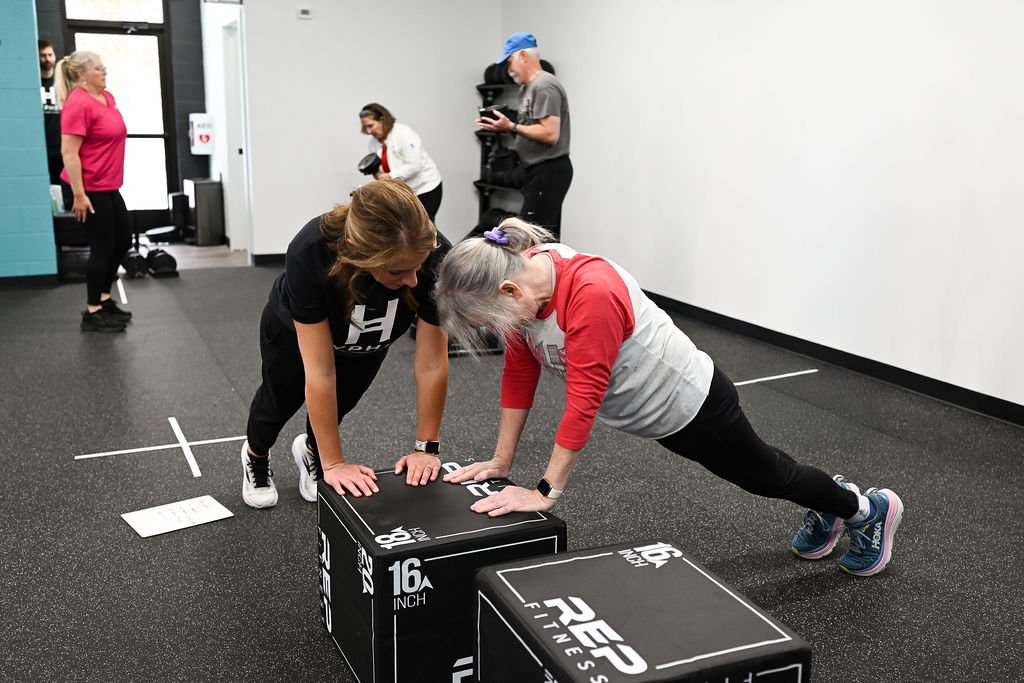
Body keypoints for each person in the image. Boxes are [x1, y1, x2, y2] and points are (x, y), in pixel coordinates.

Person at [436, 219, 905, 577]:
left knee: (765, 477)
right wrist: (501, 461)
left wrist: (544, 493)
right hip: (657, 415)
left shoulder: (590, 294)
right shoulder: (524, 274)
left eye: (494, 320)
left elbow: (583, 402)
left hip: (693, 407)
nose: (503, 331)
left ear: (509, 289)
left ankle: (866, 510)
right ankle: (833, 498)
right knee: (764, 466)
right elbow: (520, 371)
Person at [241, 178, 450, 508]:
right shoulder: (309, 252)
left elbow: (432, 363)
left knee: (338, 405)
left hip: (368, 339)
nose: (413, 280)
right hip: (294, 332)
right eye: (398, 271)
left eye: (418, 266)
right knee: (278, 402)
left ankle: (313, 451)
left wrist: (426, 448)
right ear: (362, 256)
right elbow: (320, 372)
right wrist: (336, 464)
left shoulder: (437, 257)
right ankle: (255, 454)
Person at [56, 50, 132, 333]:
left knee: (122, 241)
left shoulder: (107, 98)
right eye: (99, 69)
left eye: (104, 67)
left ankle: (104, 298)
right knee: (102, 248)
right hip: (90, 189)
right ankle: (92, 312)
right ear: (81, 75)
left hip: (110, 184)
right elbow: (69, 152)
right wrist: (79, 194)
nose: (104, 72)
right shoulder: (78, 104)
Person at [475, 33, 572, 240]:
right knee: (541, 235)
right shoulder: (526, 89)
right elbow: (529, 127)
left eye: (510, 62)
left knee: (532, 237)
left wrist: (511, 125)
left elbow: (549, 133)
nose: (508, 70)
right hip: (534, 170)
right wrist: (503, 127)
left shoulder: (545, 85)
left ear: (523, 56)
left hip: (549, 170)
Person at [359, 103, 443, 223]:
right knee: (405, 228)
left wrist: (389, 176)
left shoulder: (404, 134)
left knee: (426, 228)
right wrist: (377, 175)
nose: (368, 131)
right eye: (365, 127)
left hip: (425, 187)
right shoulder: (373, 143)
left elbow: (415, 166)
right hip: (404, 191)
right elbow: (379, 170)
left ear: (382, 120)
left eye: (371, 126)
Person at [39, 40, 63, 186]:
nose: (47, 59)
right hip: (42, 147)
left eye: (50, 54)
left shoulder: (62, 83)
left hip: (62, 147)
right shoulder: (32, 83)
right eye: (43, 55)